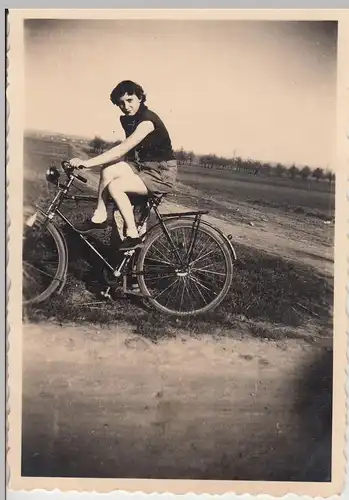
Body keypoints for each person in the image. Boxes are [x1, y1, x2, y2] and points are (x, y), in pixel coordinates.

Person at [69, 80, 178, 251]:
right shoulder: (129, 119)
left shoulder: (147, 121)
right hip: (141, 166)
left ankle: (133, 235)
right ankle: (100, 216)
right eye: (121, 103)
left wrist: (86, 163)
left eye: (130, 100)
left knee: (116, 187)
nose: (126, 106)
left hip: (161, 172)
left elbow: (122, 149)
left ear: (140, 98)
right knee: (108, 169)